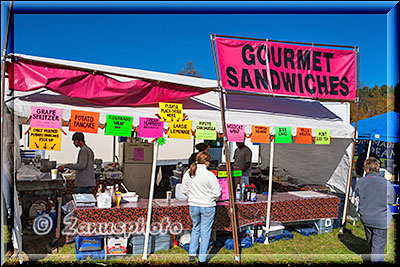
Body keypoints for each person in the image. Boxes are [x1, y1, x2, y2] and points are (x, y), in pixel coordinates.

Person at [182, 152, 221, 264]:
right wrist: (212, 199)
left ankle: (192, 254)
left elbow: (184, 189)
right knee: (205, 232)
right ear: (206, 162)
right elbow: (217, 192)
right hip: (207, 205)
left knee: (195, 228)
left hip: (194, 205)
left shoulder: (188, 173)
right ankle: (202, 258)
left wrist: (191, 197)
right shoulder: (210, 175)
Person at [354, 157, 396, 263]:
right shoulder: (385, 183)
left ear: (366, 169)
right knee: (377, 247)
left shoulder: (360, 182)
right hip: (381, 219)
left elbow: (356, 196)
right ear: (378, 168)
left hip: (366, 217)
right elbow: (392, 200)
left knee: (372, 242)